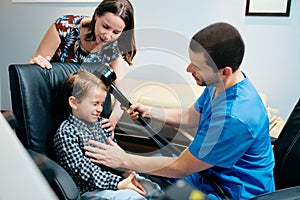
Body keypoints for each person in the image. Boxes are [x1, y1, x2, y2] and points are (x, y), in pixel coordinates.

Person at [83, 22, 275, 200]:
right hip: (204, 175)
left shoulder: (235, 117)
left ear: (224, 71)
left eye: (197, 66)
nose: (188, 69)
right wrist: (151, 111)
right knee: (147, 169)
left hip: (229, 192)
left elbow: (181, 167)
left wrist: (123, 159)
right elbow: (192, 117)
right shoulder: (220, 84)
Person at [54, 70, 163, 200]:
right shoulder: (66, 133)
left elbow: (115, 155)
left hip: (115, 178)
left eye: (101, 104)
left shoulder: (102, 124)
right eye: (95, 104)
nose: (100, 109)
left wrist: (127, 172)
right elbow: (84, 171)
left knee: (153, 189)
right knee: (132, 197)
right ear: (74, 102)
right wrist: (117, 183)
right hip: (92, 189)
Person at [29, 0, 136, 125]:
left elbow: (121, 93)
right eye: (105, 27)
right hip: (52, 101)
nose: (107, 36)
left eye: (116, 32)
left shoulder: (114, 48)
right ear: (96, 15)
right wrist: (37, 62)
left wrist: (113, 120)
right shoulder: (65, 27)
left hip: (81, 114)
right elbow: (35, 65)